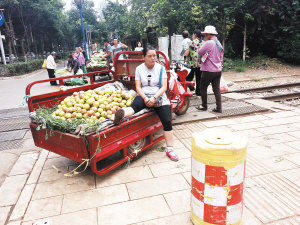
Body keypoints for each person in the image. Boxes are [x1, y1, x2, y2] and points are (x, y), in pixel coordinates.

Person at [113, 45, 178, 161]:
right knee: (134, 106)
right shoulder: (139, 69)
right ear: (143, 57)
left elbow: (164, 87)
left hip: (158, 97)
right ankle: (120, 114)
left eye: (154, 55)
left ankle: (170, 149)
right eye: (150, 56)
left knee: (167, 121)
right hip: (144, 95)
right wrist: (145, 98)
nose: (153, 58)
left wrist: (153, 98)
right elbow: (138, 87)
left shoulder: (160, 68)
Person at [196, 25, 224, 113]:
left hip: (208, 70)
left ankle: (204, 105)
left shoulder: (208, 43)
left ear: (208, 34)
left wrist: (204, 43)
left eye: (205, 34)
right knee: (216, 89)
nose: (204, 36)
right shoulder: (218, 43)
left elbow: (200, 52)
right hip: (218, 70)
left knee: (203, 87)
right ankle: (219, 107)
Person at [184, 29, 203, 98]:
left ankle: (192, 89)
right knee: (199, 79)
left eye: (193, 34)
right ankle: (198, 94)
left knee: (188, 78)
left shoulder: (191, 43)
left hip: (192, 64)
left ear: (195, 35)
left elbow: (186, 54)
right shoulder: (203, 43)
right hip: (201, 64)